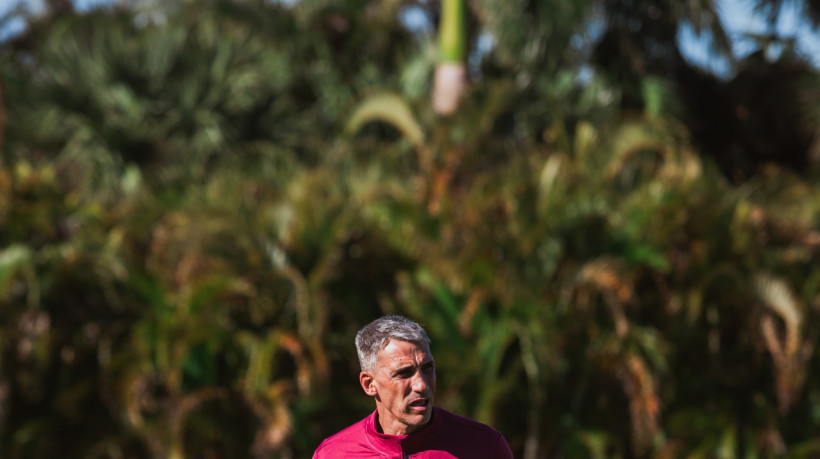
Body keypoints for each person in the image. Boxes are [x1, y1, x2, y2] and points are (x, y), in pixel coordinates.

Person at [313, 315, 514, 458]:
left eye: (428, 368)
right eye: (404, 373)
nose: (422, 384)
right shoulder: (332, 454)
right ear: (369, 384)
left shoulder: (485, 446)